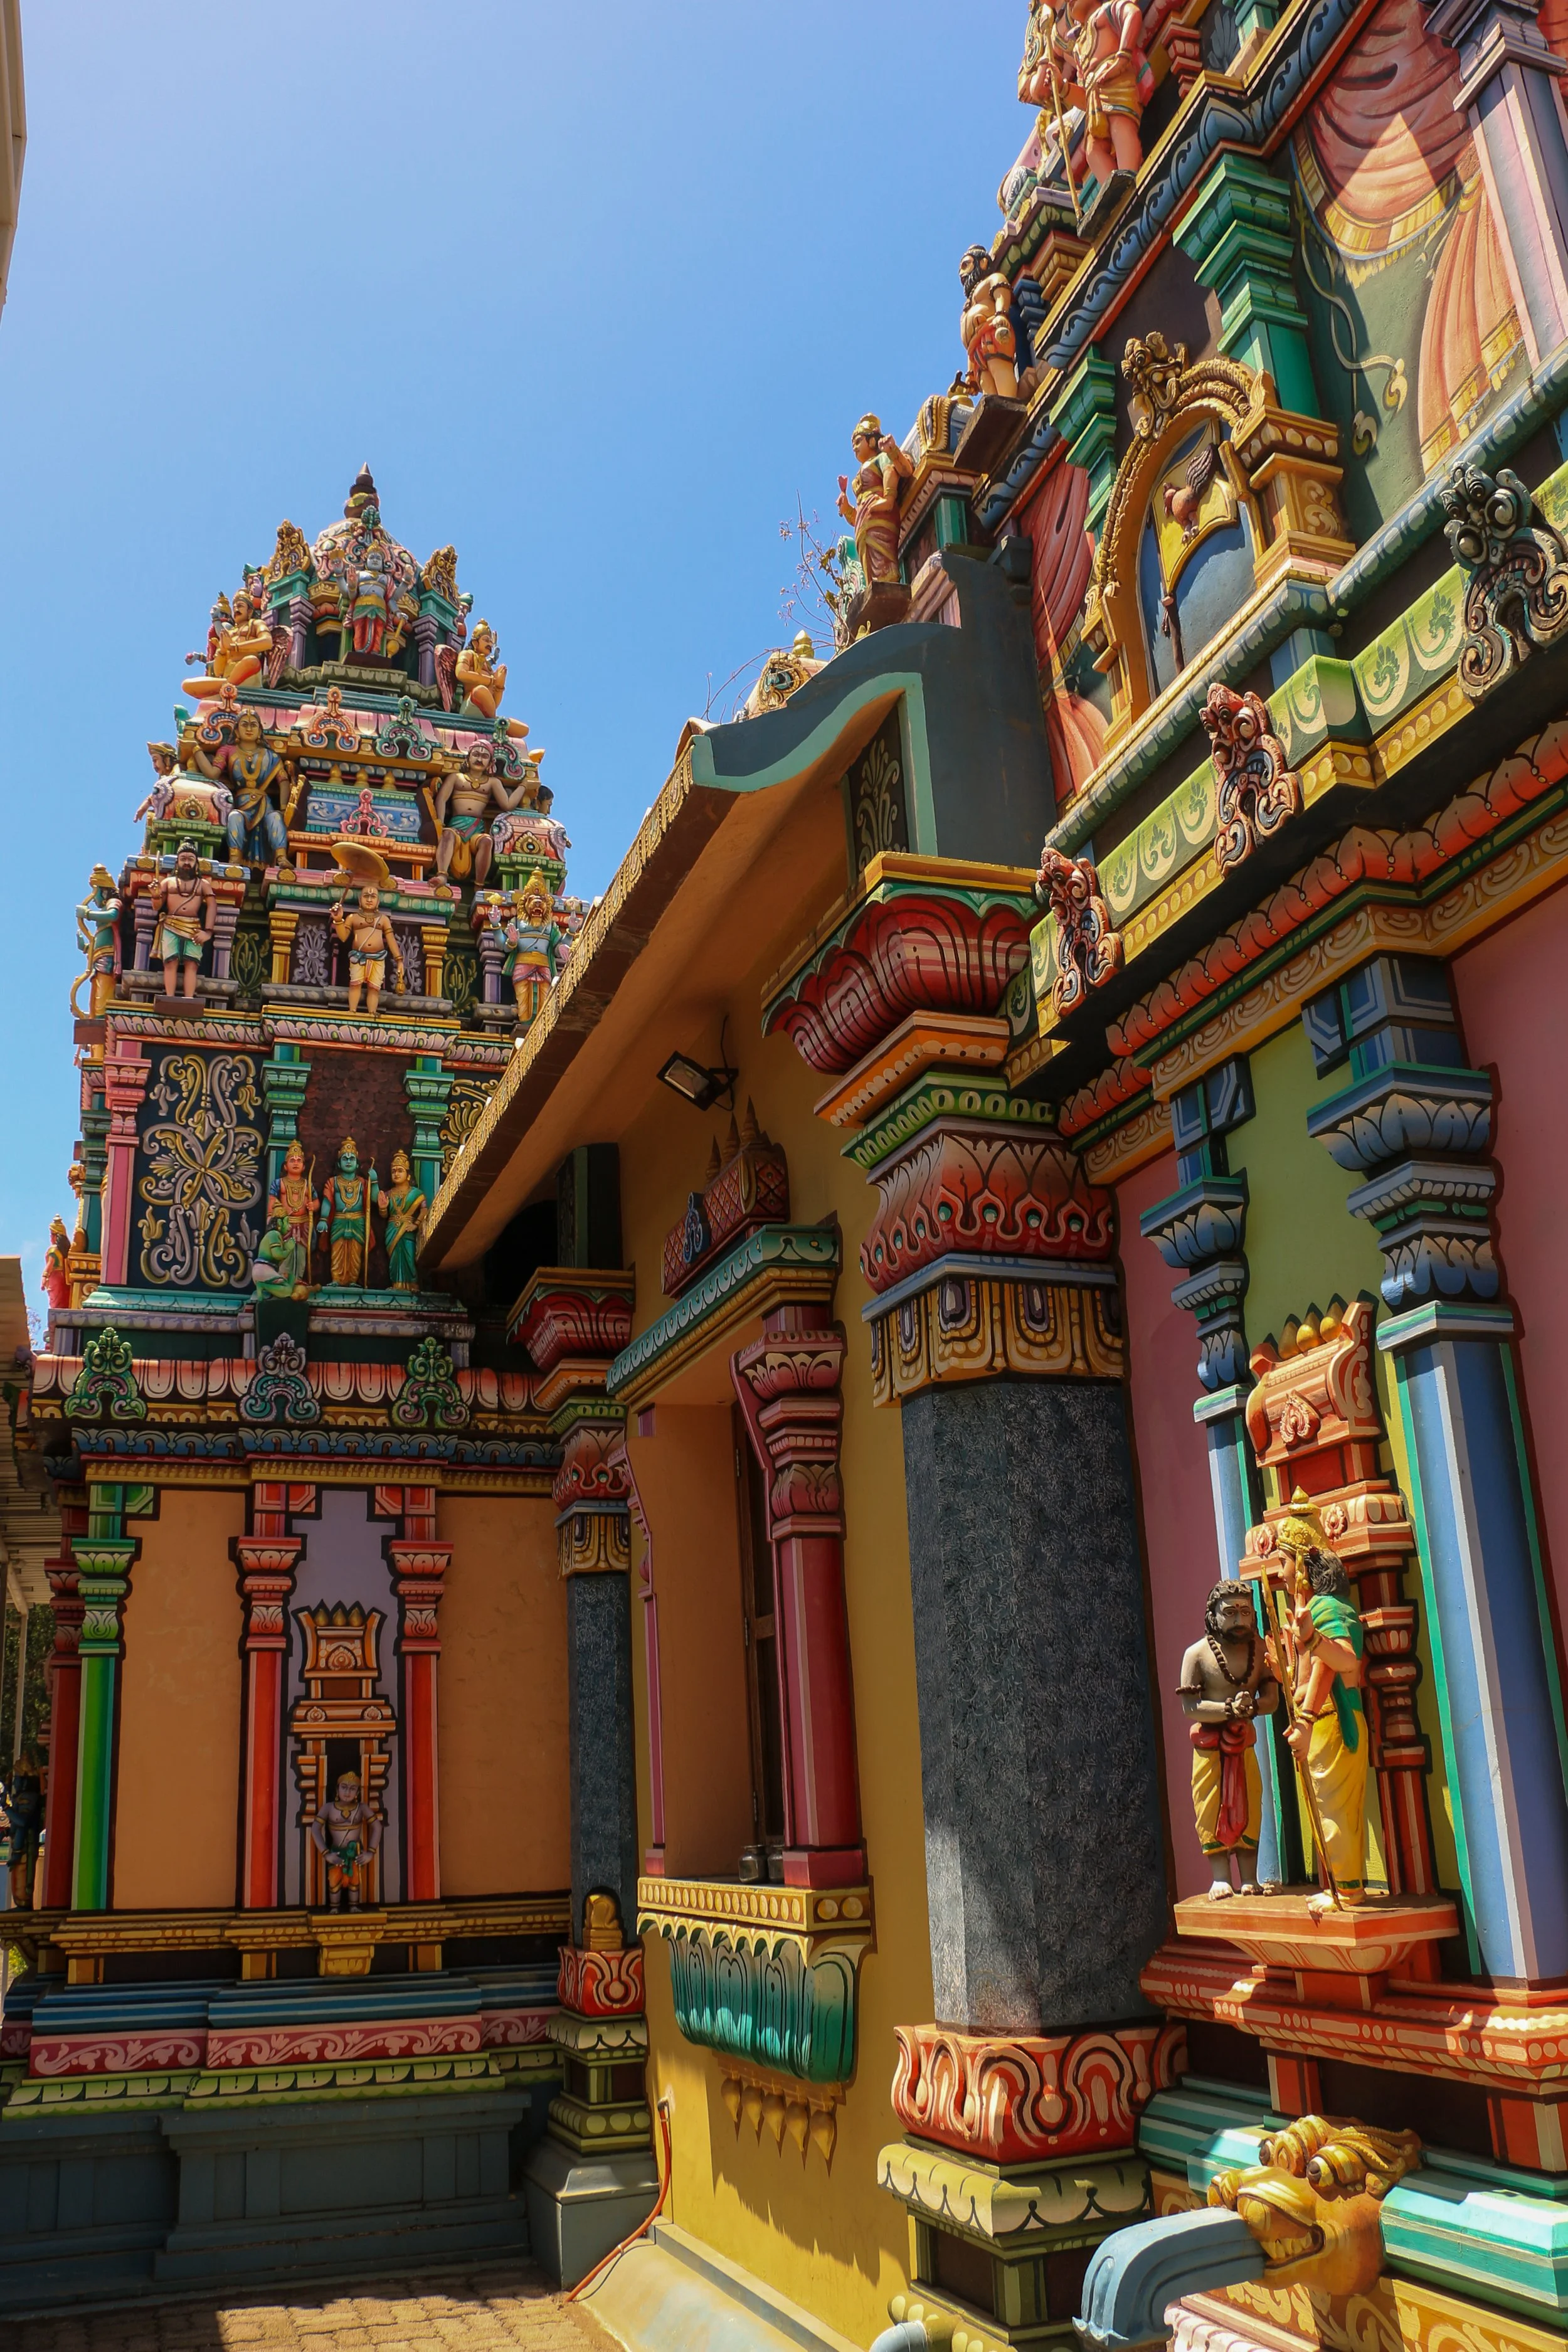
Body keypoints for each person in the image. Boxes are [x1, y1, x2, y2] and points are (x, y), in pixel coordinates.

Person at [1178, 1582, 1279, 1899]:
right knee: (1210, 1807)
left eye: (1245, 1613)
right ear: (1213, 1616)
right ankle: (1220, 1877)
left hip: (1243, 1744)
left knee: (1250, 1806)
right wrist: (1226, 1709)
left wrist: (1253, 1706)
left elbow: (1273, 1700)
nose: (1239, 1621)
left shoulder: (1260, 1650)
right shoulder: (1196, 1655)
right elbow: (1190, 1707)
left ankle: (1250, 1875)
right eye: (1230, 1613)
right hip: (1209, 1749)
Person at [148, 841, 216, 1002]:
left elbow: (213, 906)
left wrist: (208, 932)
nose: (187, 862)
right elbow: (156, 907)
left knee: (191, 964)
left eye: (191, 859)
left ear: (196, 863)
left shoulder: (203, 885)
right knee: (170, 962)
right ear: (177, 862)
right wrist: (155, 895)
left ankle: (189, 999)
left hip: (194, 928)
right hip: (171, 925)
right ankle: (170, 997)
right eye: (183, 858)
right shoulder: (168, 882)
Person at [309, 1771, 382, 1912]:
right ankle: (334, 1908)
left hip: (355, 1853)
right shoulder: (329, 1808)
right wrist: (326, 1854)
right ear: (337, 1789)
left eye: (352, 1788)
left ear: (357, 1793)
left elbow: (377, 1827)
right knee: (334, 1881)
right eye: (344, 1787)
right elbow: (315, 1829)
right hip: (336, 1852)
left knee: (355, 1882)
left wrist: (371, 1853)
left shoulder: (362, 1808)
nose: (348, 1792)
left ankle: (354, 1907)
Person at [331, 883, 405, 1019]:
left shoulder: (383, 919)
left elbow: (391, 940)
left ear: (378, 901)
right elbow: (343, 937)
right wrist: (338, 920)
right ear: (360, 900)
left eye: (373, 896)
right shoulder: (353, 918)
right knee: (355, 984)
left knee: (374, 988)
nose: (369, 899)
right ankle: (352, 1011)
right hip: (358, 957)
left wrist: (399, 960)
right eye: (366, 896)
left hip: (378, 957)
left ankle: (372, 1013)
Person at [376, 1150, 425, 1291]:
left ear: (408, 1175)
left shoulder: (417, 1194)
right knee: (394, 1260)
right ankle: (396, 1285)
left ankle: (412, 1285)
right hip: (392, 1229)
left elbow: (424, 1210)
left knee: (409, 1258)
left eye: (400, 1171)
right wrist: (383, 1208)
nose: (396, 1174)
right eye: (394, 1171)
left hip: (408, 1229)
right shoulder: (388, 1194)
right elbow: (384, 1215)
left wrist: (416, 1224)